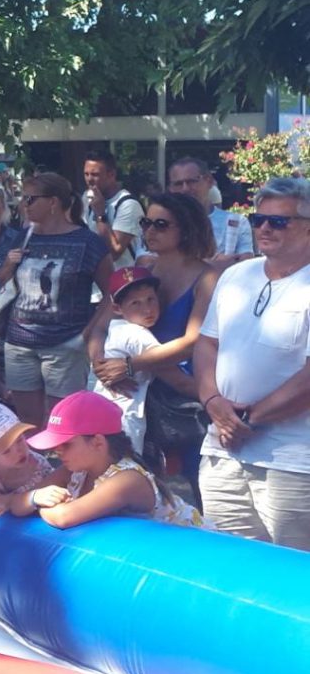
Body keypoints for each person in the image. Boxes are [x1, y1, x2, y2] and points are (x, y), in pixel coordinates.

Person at [193, 176, 310, 549]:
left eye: (278, 221)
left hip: (292, 460)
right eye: (257, 218)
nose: (263, 228)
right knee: (231, 565)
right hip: (221, 450)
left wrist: (247, 419)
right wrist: (214, 404)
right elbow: (206, 344)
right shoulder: (234, 275)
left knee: (294, 574)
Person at [86, 192, 221, 491]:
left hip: (181, 396)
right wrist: (101, 365)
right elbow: (97, 328)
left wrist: (131, 365)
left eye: (160, 224)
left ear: (186, 228)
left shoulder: (207, 276)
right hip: (132, 390)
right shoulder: (143, 265)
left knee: (193, 483)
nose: (149, 231)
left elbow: (193, 342)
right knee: (129, 478)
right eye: (146, 222)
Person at [0, 173, 116, 427]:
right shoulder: (24, 236)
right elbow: (5, 284)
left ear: (53, 202)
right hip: (20, 342)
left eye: (30, 199)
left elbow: (113, 291)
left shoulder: (88, 242)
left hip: (66, 344)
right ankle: (32, 467)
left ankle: (62, 467)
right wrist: (8, 265)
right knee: (26, 422)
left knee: (61, 422)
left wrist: (89, 332)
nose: (24, 205)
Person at [25, 390, 204, 528]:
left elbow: (64, 517)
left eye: (66, 444)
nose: (57, 451)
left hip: (196, 550)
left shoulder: (127, 480)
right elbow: (18, 500)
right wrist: (34, 497)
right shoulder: (74, 470)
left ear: (98, 442)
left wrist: (35, 502)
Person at [88, 266, 164, 452]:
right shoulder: (136, 335)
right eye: (135, 304)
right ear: (116, 308)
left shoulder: (117, 327)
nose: (147, 309)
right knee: (128, 464)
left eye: (150, 299)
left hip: (102, 408)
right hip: (125, 414)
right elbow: (166, 363)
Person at [169, 156, 253, 268]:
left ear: (209, 181)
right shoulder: (161, 223)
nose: (185, 189)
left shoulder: (236, 222)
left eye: (191, 181)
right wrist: (210, 265)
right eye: (178, 184)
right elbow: (147, 263)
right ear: (171, 188)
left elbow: (246, 266)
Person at [82, 151, 142, 269]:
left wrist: (100, 214)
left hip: (123, 281)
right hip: (94, 281)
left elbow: (114, 252)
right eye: (86, 174)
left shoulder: (128, 205)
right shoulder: (86, 197)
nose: (89, 179)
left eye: (95, 175)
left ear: (111, 174)